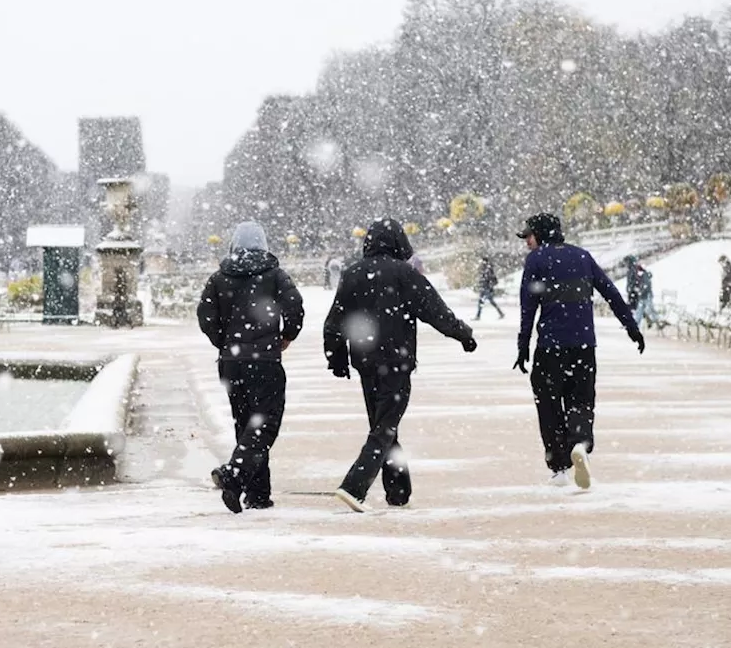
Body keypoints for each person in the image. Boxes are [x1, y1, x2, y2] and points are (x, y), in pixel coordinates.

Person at [325, 219, 477, 512]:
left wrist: (338, 358)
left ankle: (398, 490)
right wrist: (463, 334)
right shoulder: (404, 273)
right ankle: (354, 486)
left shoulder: (353, 274)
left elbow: (334, 322)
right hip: (396, 362)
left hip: (366, 362)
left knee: (382, 425)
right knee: (385, 427)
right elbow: (435, 310)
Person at [515, 213, 644, 490]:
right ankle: (580, 443)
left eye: (529, 236)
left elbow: (528, 306)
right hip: (584, 346)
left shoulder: (536, 260)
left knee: (549, 406)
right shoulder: (583, 257)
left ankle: (560, 468)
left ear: (540, 234)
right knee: (581, 400)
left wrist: (523, 344)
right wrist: (631, 327)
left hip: (550, 347)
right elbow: (611, 293)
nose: (527, 242)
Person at [197, 220, 304, 513]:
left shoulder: (219, 278)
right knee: (265, 424)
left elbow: (205, 315)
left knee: (245, 424)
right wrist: (287, 335)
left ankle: (258, 493)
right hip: (265, 361)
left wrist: (225, 342)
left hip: (231, 364)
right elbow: (295, 305)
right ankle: (235, 476)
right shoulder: (275, 276)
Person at [475, 255, 504, 320]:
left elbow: (491, 278)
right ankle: (500, 313)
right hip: (485, 288)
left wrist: (489, 285)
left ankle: (478, 316)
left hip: (487, 288)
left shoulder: (488, 269)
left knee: (483, 302)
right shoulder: (485, 268)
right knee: (487, 302)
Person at [630, 260, 659, 328]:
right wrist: (637, 289)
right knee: (639, 311)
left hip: (647, 296)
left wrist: (640, 291)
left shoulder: (644, 275)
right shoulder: (640, 275)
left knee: (650, 309)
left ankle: (656, 321)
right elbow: (640, 285)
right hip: (642, 296)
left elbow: (646, 285)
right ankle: (636, 324)